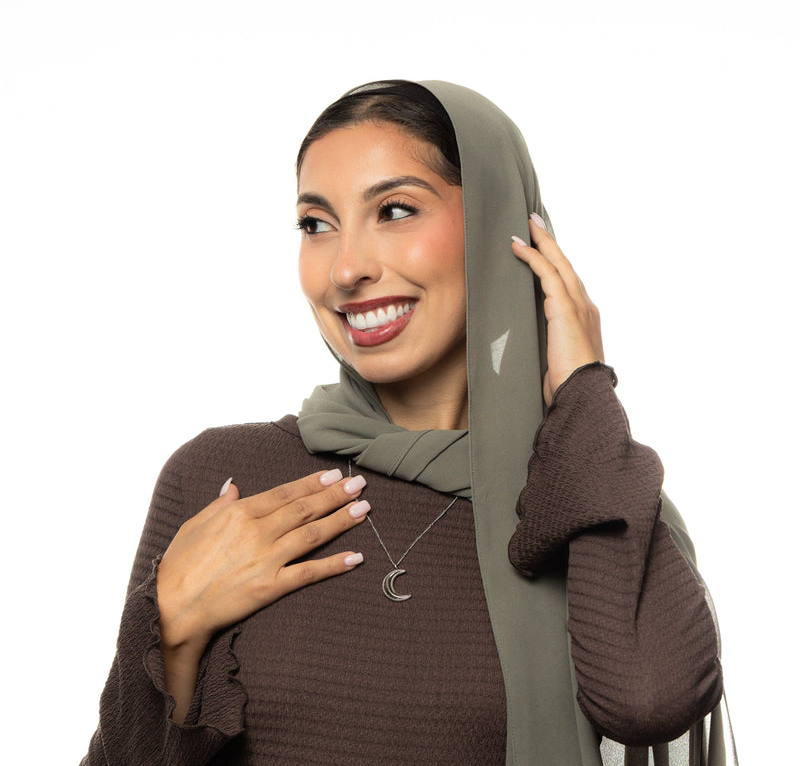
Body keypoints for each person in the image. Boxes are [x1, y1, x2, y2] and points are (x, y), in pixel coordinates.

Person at [82, 80, 733, 765]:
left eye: (393, 210)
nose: (346, 269)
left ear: (501, 227)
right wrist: (173, 632)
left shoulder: (594, 499)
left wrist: (584, 390)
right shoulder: (224, 481)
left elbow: (652, 700)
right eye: (315, 223)